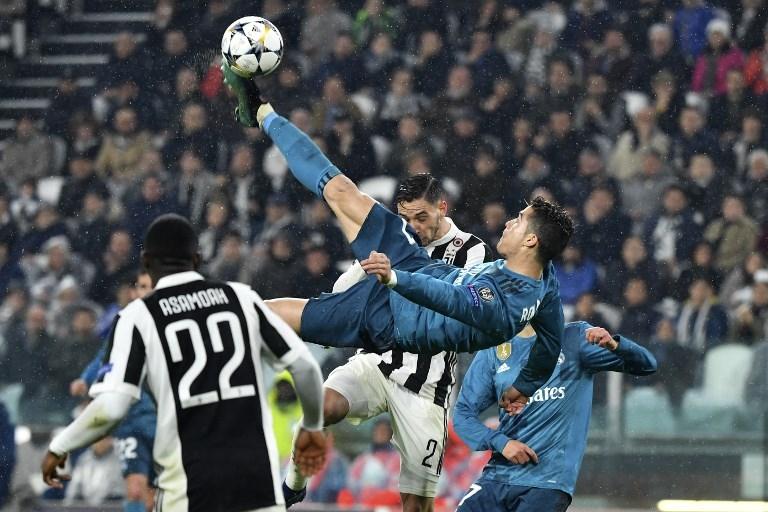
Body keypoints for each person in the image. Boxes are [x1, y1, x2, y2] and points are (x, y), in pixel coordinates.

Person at [222, 63, 574, 414]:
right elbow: (551, 341)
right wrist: (524, 386)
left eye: (520, 221)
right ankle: (262, 112)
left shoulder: (501, 308)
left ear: (531, 242)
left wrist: (394, 278)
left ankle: (210, 326)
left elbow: (451, 299)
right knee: (342, 191)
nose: (510, 222)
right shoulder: (545, 282)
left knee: (282, 317)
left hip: (389, 319)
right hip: (410, 262)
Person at [41, 214, 327, 512]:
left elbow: (111, 409)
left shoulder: (138, 317)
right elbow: (305, 366)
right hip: (257, 491)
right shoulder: (241, 298)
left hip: (190, 495)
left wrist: (61, 445)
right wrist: (312, 426)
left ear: (146, 261)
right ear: (197, 258)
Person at [283, 173, 493, 511]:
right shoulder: (393, 240)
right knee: (321, 406)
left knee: (416, 506)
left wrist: (395, 278)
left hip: (427, 384)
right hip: (377, 362)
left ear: (442, 207)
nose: (414, 227)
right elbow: (345, 288)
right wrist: (340, 308)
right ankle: (292, 486)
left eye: (421, 217)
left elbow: (456, 304)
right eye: (406, 218)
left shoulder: (472, 250)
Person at [453, 322, 657, 511]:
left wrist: (615, 345)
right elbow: (463, 414)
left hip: (546, 482)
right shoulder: (495, 348)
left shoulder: (573, 337)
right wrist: (501, 443)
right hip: (496, 477)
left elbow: (646, 365)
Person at [69, 271, 156, 512]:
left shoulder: (175, 321)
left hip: (167, 416)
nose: (146, 292)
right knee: (136, 487)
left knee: (160, 489)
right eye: (142, 287)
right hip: (134, 415)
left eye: (151, 286)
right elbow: (106, 358)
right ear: (133, 292)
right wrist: (86, 379)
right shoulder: (126, 323)